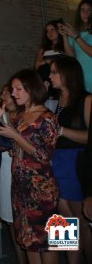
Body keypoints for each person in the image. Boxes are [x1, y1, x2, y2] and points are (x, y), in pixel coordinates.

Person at [0, 69, 60, 264]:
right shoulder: (20, 116)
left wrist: (15, 136)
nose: (14, 93)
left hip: (43, 189)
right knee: (27, 241)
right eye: (13, 89)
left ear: (32, 89)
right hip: (21, 188)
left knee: (51, 244)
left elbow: (44, 156)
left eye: (18, 89)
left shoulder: (48, 117)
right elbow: (6, 145)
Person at [49, 57, 92, 263]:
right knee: (62, 220)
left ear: (68, 74)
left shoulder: (86, 99)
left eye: (54, 72)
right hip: (57, 162)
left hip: (76, 163)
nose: (50, 76)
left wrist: (62, 131)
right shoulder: (58, 101)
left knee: (82, 220)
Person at [0, 84, 28, 264]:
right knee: (11, 221)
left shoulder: (32, 116)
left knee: (35, 223)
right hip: (6, 171)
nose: (4, 96)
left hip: (31, 174)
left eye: (8, 93)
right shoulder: (2, 116)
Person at [59, 0, 92, 92]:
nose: (85, 13)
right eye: (83, 10)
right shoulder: (76, 32)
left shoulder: (76, 34)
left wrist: (76, 37)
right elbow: (71, 57)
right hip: (81, 78)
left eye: (89, 10)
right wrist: (65, 36)